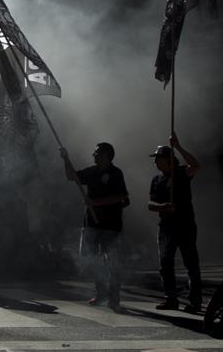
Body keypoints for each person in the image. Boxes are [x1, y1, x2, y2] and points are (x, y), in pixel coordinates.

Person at [61, 142, 130, 312]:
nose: (94, 154)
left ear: (106, 154)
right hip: (91, 223)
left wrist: (95, 202)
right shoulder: (91, 172)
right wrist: (66, 159)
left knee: (112, 261)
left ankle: (114, 297)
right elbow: (72, 176)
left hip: (110, 225)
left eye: (97, 152)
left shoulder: (115, 173)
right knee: (90, 257)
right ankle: (101, 291)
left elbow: (120, 197)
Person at [147, 133, 202, 312]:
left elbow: (195, 165)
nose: (155, 162)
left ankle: (195, 301)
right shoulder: (157, 180)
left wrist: (178, 147)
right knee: (165, 263)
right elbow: (150, 203)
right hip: (166, 227)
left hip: (185, 224)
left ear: (167, 159)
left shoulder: (181, 173)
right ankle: (171, 298)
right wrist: (162, 206)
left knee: (190, 263)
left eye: (158, 158)